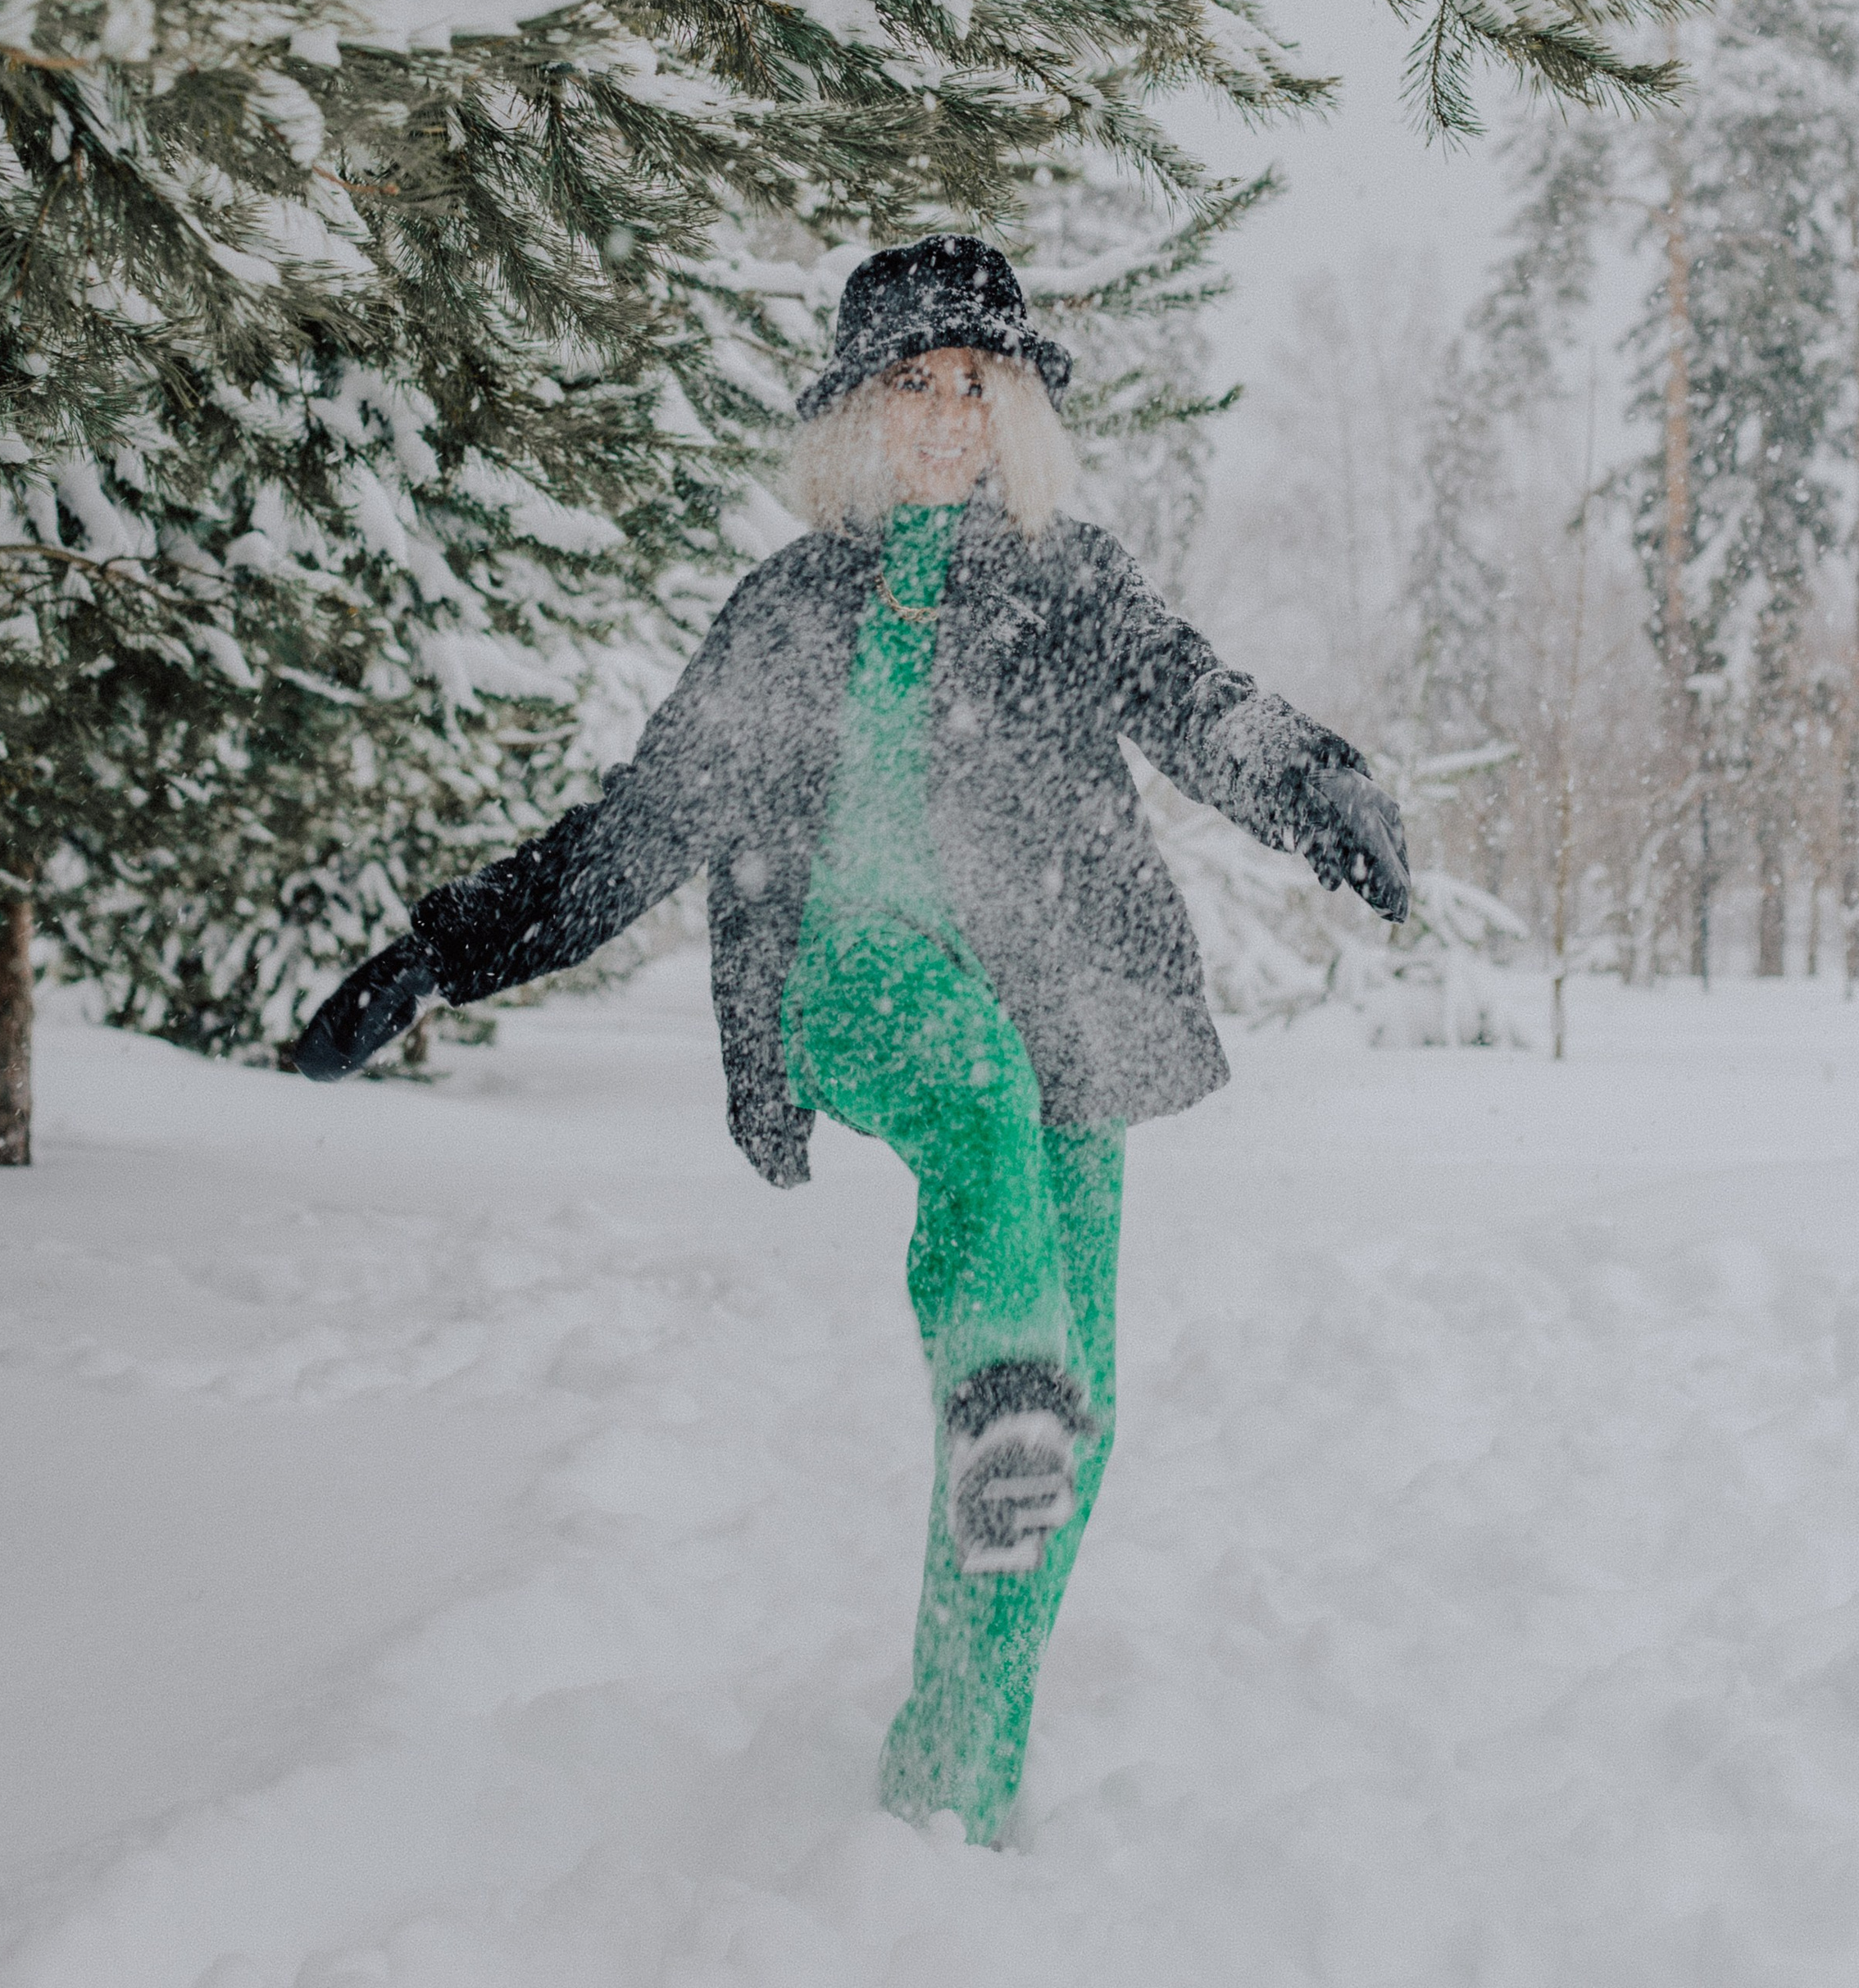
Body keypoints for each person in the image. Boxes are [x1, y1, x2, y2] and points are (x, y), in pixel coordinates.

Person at [293, 234, 1408, 1843]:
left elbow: (1193, 701)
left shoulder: (1068, 576)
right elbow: (640, 829)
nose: (950, 413)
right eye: (915, 382)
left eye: (978, 383)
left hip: (1054, 988)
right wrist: (435, 956)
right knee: (971, 1113)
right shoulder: (786, 610)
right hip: (855, 975)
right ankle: (994, 1381)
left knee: (1072, 1404)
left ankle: (953, 1778)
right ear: (854, 412)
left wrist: (1314, 782)